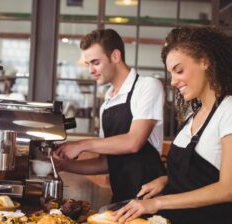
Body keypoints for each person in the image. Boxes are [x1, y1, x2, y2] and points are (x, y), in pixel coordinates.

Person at [113, 26, 232, 224]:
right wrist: (167, 180)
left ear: (205, 61)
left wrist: (157, 203)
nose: (174, 81)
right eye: (171, 73)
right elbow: (199, 173)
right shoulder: (193, 115)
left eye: (179, 70)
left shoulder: (228, 110)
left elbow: (227, 189)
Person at [54, 29, 167, 203]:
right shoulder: (107, 102)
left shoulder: (147, 86)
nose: (90, 70)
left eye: (95, 62)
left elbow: (133, 142)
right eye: (88, 64)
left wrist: (82, 145)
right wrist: (64, 166)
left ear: (115, 56)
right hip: (120, 200)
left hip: (149, 201)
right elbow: (106, 163)